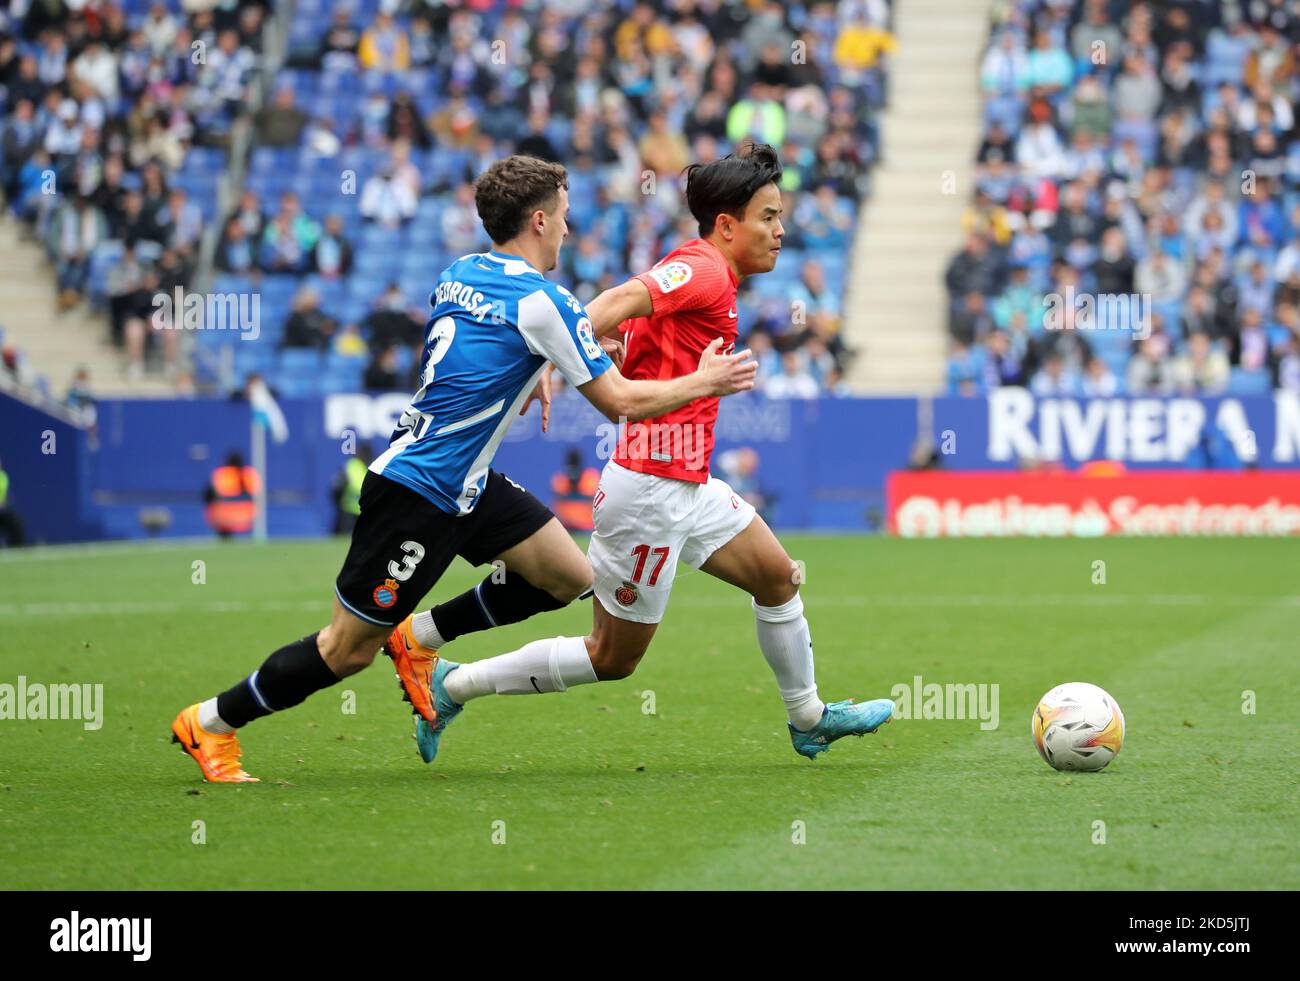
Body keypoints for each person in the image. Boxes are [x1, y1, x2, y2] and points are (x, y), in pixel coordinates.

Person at [170, 155, 756, 782]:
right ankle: (211, 722)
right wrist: (706, 381)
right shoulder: (543, 301)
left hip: (465, 483)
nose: (568, 229)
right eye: (562, 216)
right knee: (346, 650)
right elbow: (621, 401)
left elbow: (482, 350)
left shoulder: (460, 272)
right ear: (538, 220)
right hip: (421, 492)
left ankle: (419, 638)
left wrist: (542, 367)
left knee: (565, 574)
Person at [392, 143, 894, 768]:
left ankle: (809, 717)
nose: (781, 230)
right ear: (727, 225)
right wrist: (552, 358)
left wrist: (603, 351)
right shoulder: (703, 270)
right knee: (612, 657)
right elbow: (607, 306)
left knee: (778, 577)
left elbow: (628, 334)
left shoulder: (709, 278)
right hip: (651, 490)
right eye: (769, 216)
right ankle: (453, 684)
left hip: (689, 482)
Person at [203, 451, 260, 539]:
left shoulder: (222, 474)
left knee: (213, 506)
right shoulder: (249, 474)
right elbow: (258, 495)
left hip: (223, 519)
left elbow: (208, 496)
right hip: (247, 517)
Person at [331, 444, 372, 535]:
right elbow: (340, 486)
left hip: (357, 509)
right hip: (350, 510)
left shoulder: (366, 466)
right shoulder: (354, 465)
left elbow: (337, 487)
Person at [0, 458, 26, 547]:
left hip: (2, 511)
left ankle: (16, 547)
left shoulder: (3, 476)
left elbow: (3, 498)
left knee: (16, 522)